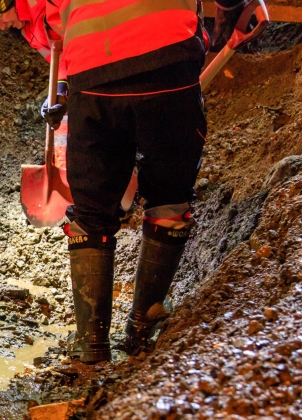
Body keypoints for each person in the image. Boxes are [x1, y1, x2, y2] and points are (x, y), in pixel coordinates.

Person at [33, 0, 227, 363]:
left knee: (90, 213)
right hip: (168, 63)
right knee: (169, 200)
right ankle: (140, 330)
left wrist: (63, 82)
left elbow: (55, 17)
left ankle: (91, 345)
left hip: (92, 74)